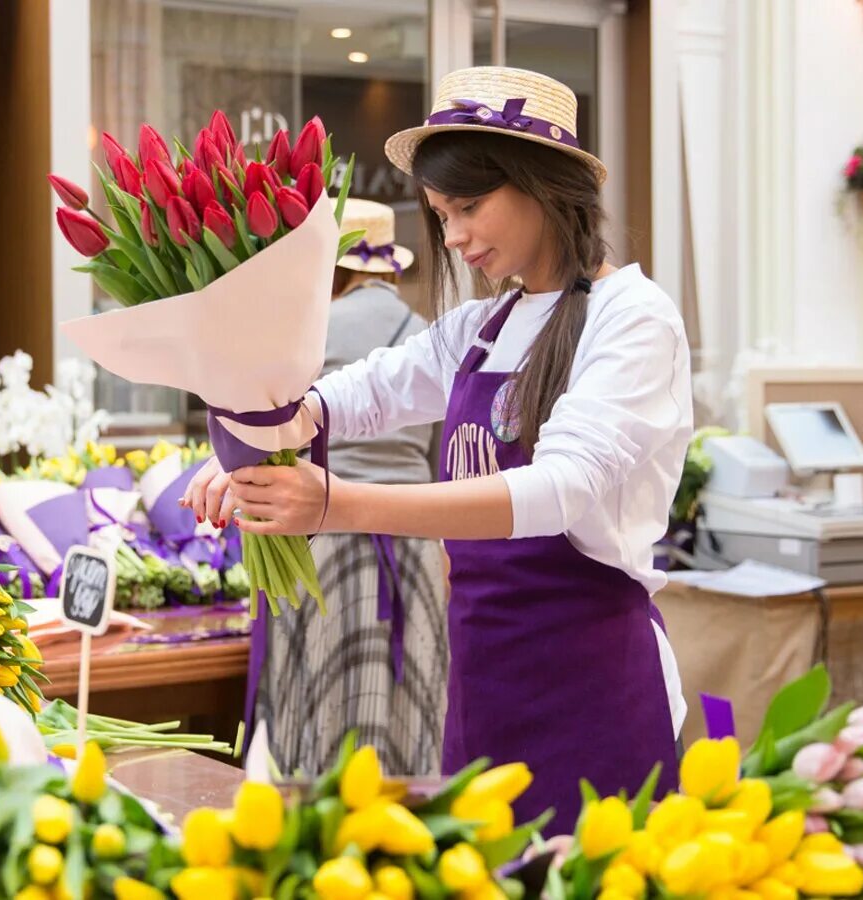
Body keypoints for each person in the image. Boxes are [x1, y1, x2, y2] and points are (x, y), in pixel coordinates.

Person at [185, 67, 689, 831]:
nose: (452, 237)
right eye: (441, 213)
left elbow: (560, 489)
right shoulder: (484, 325)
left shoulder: (633, 317)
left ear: (541, 183)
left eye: (468, 208)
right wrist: (252, 441)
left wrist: (337, 504)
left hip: (591, 684)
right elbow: (368, 391)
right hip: (484, 681)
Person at [251, 198, 448, 777]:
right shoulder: (431, 336)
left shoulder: (304, 335)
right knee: (412, 707)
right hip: (415, 535)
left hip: (323, 541)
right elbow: (441, 458)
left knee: (326, 708)